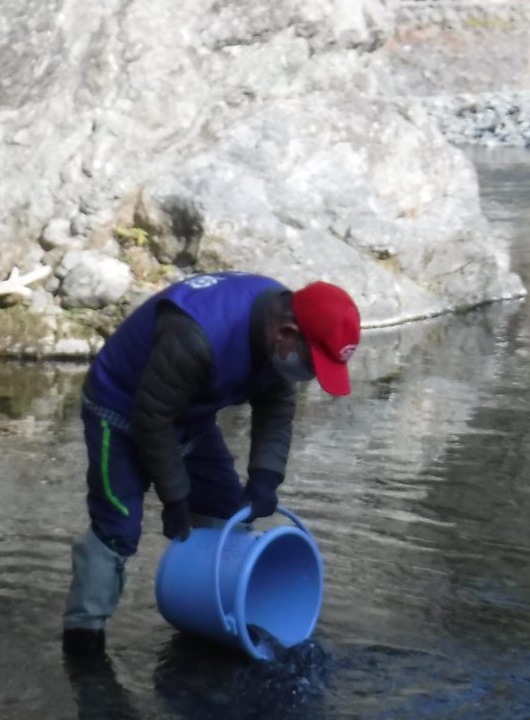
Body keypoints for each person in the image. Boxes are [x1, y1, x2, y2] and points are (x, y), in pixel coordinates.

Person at [62, 271, 361, 655]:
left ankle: (211, 619)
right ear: (285, 333)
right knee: (117, 527)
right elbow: (151, 418)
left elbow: (277, 408)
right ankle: (83, 644)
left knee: (226, 515)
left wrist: (266, 478)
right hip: (118, 409)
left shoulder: (281, 333)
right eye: (312, 366)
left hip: (188, 414)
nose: (310, 376)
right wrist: (174, 497)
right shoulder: (200, 334)